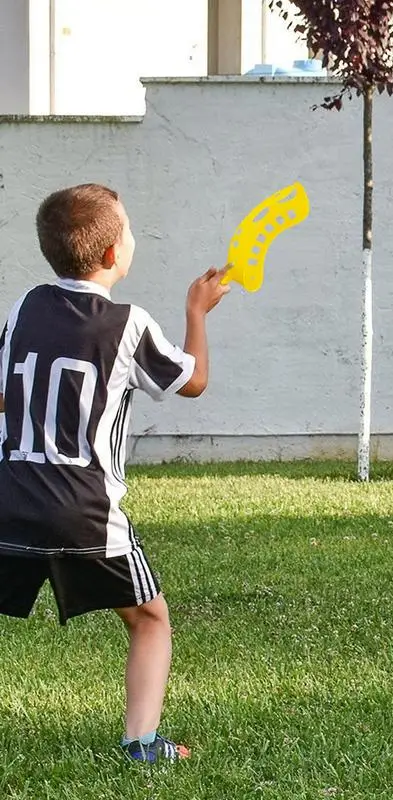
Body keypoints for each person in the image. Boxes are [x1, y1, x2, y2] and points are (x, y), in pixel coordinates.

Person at [0, 183, 230, 761]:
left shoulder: (25, 306)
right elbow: (192, 380)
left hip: (10, 498)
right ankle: (142, 746)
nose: (130, 238)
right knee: (151, 619)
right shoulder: (128, 323)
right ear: (111, 255)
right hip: (85, 511)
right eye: (127, 230)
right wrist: (196, 311)